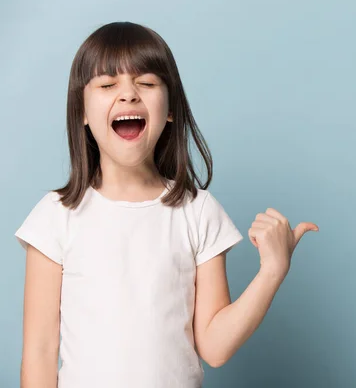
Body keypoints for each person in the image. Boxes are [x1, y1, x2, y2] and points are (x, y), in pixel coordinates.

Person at [14, 21, 319, 388]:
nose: (127, 94)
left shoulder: (199, 211)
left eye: (146, 82)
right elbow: (40, 351)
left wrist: (273, 270)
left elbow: (215, 347)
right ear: (81, 111)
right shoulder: (55, 216)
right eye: (108, 85)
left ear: (170, 108)